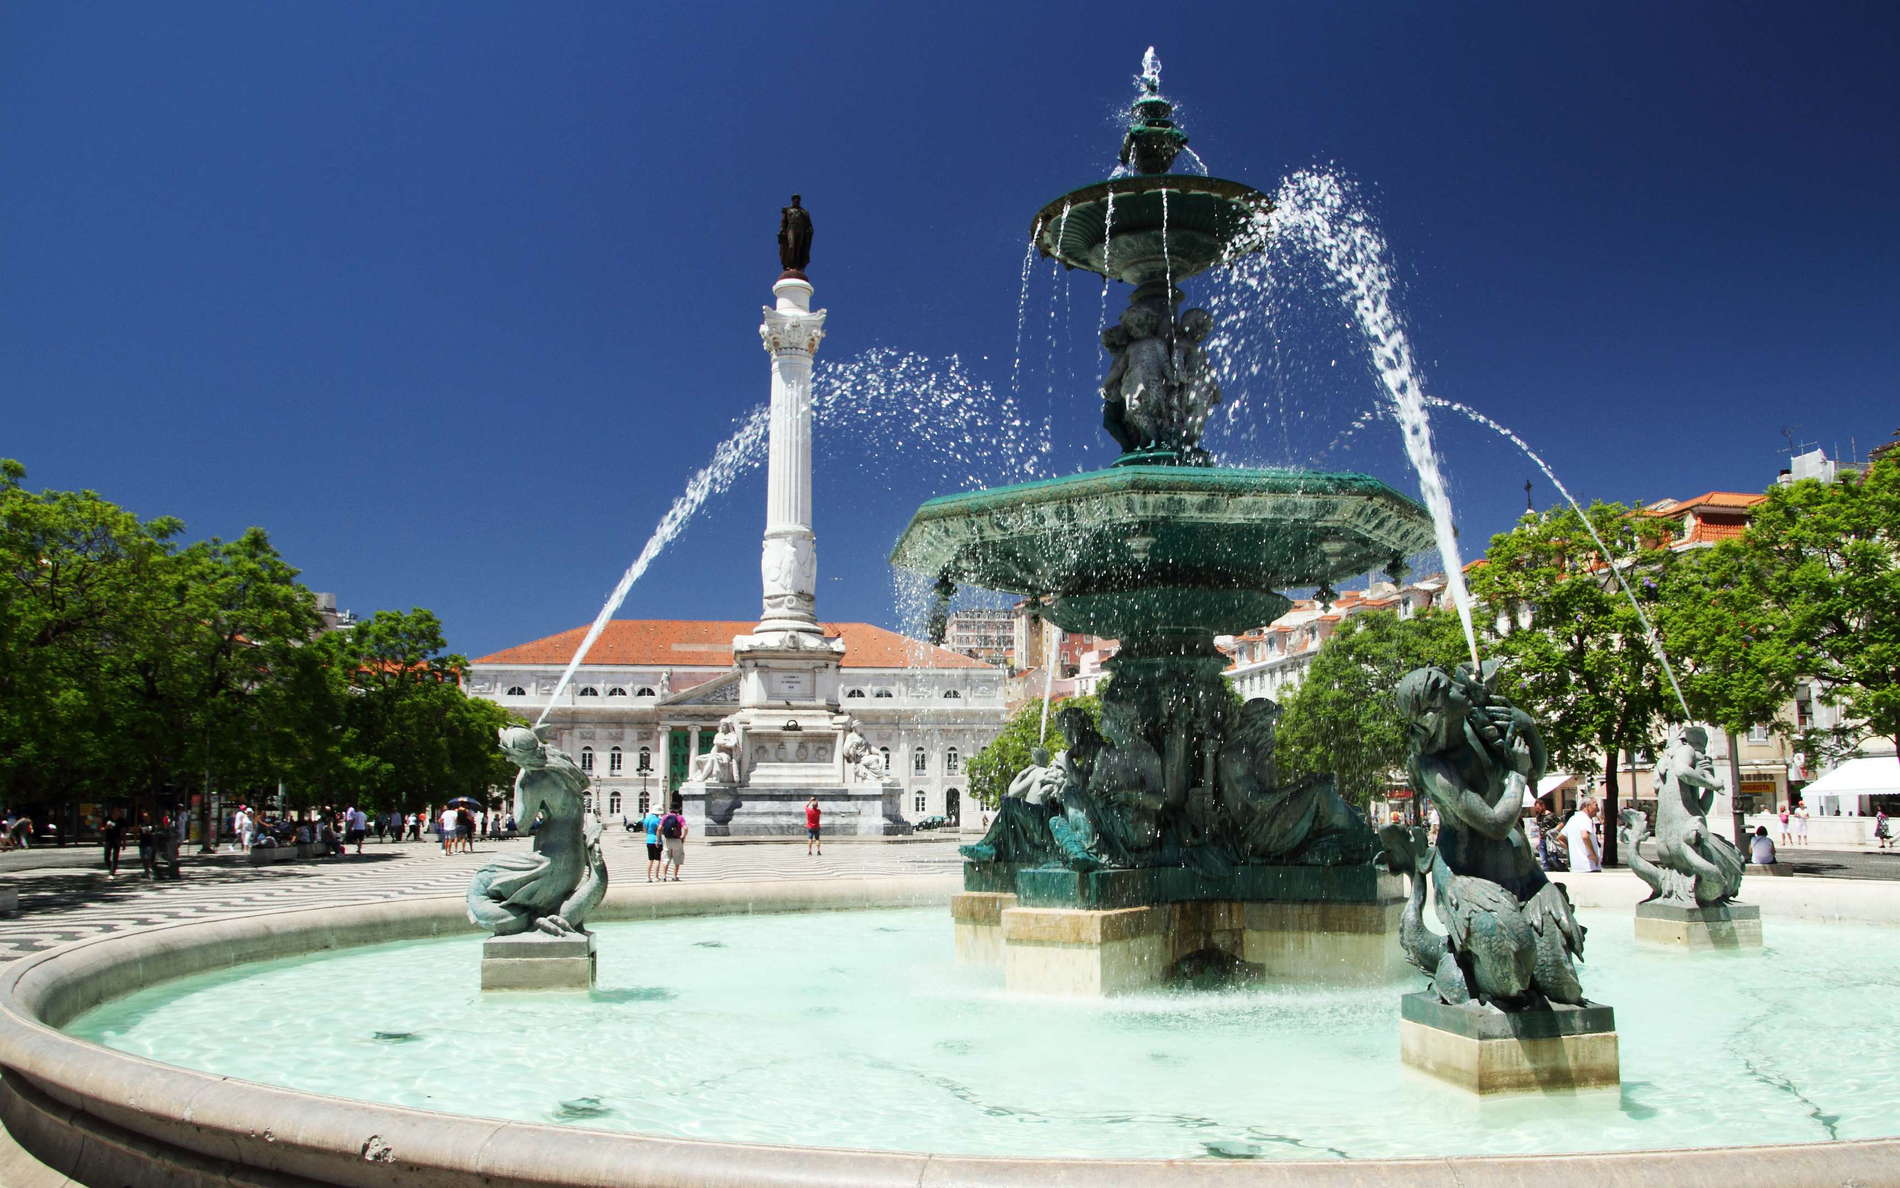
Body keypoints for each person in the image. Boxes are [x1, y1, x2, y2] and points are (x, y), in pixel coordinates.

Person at [1562, 798, 1603, 872]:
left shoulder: (1573, 819)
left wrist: (1573, 849)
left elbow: (1560, 837)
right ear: (1587, 806)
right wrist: (1593, 855)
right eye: (1596, 805)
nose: (1598, 809)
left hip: (1576, 867)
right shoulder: (1585, 818)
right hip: (1590, 866)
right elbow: (1585, 836)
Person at [660, 800, 687, 881]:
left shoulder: (665, 817)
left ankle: (664, 876)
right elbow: (685, 828)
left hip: (667, 839)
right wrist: (683, 837)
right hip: (677, 840)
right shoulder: (680, 817)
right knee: (677, 858)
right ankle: (675, 876)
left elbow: (659, 828)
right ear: (678, 809)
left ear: (670, 809)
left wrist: (658, 839)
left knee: (666, 858)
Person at [641, 803, 664, 882]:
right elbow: (659, 830)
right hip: (657, 841)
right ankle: (656, 877)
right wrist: (657, 840)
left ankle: (648, 877)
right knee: (657, 859)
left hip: (649, 840)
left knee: (650, 859)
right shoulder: (658, 820)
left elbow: (644, 829)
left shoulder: (647, 819)